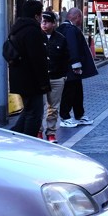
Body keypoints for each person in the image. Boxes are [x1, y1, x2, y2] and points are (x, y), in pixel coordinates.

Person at [6, 0, 49, 137]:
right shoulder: (32, 31)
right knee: (35, 114)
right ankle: (27, 141)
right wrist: (44, 84)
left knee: (29, 110)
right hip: (31, 80)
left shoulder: (17, 28)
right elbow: (37, 59)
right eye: (41, 14)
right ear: (37, 16)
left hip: (19, 78)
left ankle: (16, 136)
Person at [58, 7, 98, 128]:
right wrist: (76, 64)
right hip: (70, 67)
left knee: (76, 91)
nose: (82, 20)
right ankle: (65, 117)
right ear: (77, 17)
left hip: (67, 66)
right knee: (69, 91)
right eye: (81, 17)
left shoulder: (63, 28)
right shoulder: (70, 29)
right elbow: (72, 47)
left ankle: (79, 115)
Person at [40, 11, 69, 143]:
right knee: (39, 107)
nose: (43, 24)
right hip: (40, 77)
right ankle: (38, 131)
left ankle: (51, 133)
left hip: (57, 77)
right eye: (42, 21)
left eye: (46, 21)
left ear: (53, 23)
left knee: (53, 107)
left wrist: (63, 75)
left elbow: (66, 58)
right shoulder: (37, 37)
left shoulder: (61, 38)